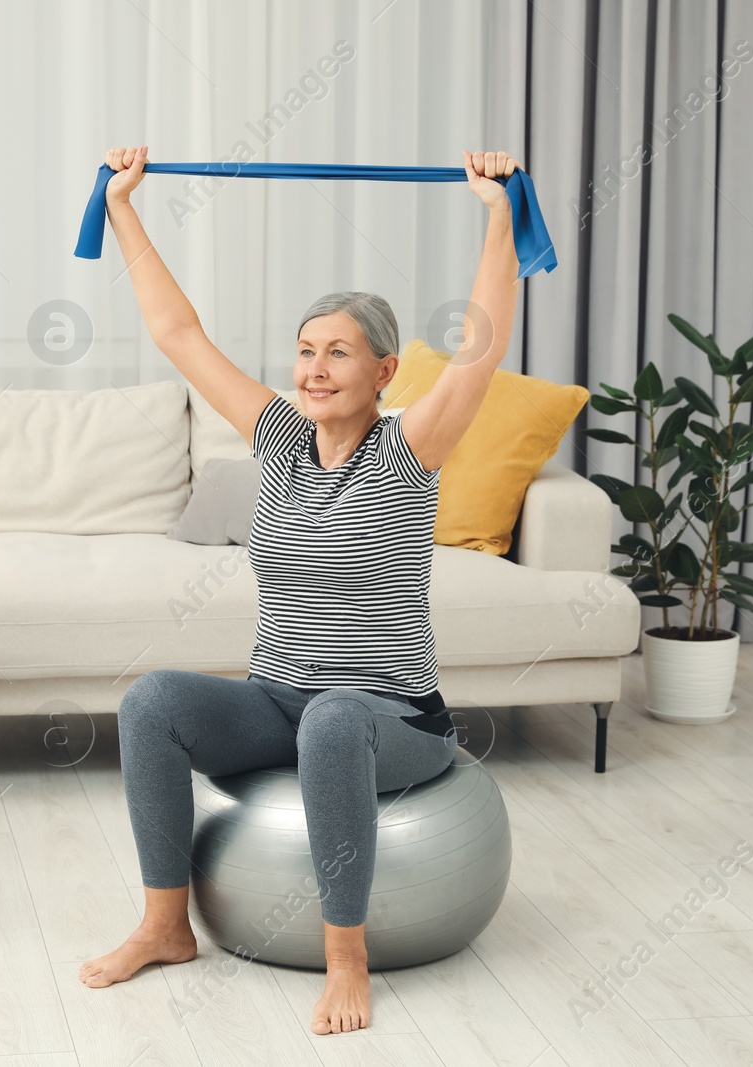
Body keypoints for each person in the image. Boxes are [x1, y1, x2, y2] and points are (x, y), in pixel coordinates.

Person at [78, 145, 523, 1036]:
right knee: (151, 701)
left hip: (391, 718)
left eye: (339, 354)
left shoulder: (408, 452)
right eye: (305, 350)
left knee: (334, 718)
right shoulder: (278, 437)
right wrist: (122, 204)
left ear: (385, 371)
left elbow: (480, 349)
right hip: (278, 701)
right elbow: (179, 334)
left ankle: (345, 957)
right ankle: (167, 925)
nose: (314, 369)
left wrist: (498, 213)